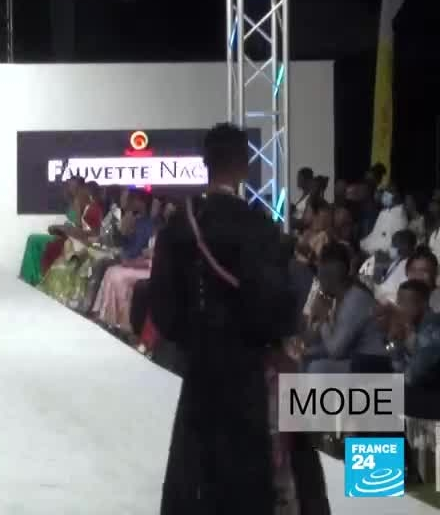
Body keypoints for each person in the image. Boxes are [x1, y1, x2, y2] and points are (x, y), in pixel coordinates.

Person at [150, 123, 328, 515]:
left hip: (200, 368)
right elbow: (275, 303)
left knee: (195, 469)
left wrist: (195, 339)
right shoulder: (258, 227)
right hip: (250, 371)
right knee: (251, 470)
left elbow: (161, 305)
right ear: (245, 165)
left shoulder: (181, 225)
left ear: (204, 163)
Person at [303, 243, 387, 373]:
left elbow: (335, 351)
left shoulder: (356, 299)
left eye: (320, 276)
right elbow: (310, 341)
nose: (318, 281)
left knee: (318, 368)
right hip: (356, 357)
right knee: (307, 356)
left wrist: (324, 320)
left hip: (374, 363)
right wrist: (314, 319)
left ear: (328, 277)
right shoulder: (334, 298)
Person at [37, 183, 105, 311]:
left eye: (81, 193)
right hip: (80, 242)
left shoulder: (93, 209)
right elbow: (79, 229)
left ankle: (67, 297)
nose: (78, 196)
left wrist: (69, 228)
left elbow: (92, 234)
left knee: (67, 258)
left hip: (90, 245)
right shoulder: (85, 208)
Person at [18, 176, 85, 286]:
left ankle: (31, 278)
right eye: (69, 185)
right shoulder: (71, 201)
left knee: (33, 240)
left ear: (79, 187)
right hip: (64, 235)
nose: (69, 187)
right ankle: (31, 276)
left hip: (71, 240)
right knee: (33, 240)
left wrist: (60, 228)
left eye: (72, 185)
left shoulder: (79, 202)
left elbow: (78, 228)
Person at [385, 279, 440, 387]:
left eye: (406, 303)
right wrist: (394, 343)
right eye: (398, 302)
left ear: (423, 304)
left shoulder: (433, 331)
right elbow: (398, 368)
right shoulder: (409, 326)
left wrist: (406, 338)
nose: (400, 308)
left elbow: (411, 378)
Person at [360, 185, 407, 255]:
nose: (384, 195)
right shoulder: (383, 212)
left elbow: (394, 238)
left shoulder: (399, 212)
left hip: (386, 251)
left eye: (389, 192)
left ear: (396, 195)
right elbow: (375, 234)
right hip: (374, 249)